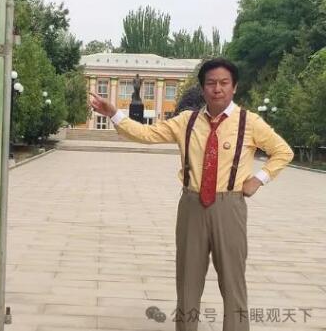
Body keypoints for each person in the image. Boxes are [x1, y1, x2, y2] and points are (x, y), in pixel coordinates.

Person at [89, 57, 294, 331]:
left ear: (234, 87)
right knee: (188, 281)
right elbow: (147, 134)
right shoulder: (187, 121)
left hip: (229, 206)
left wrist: (259, 179)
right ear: (203, 88)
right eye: (211, 83)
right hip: (191, 204)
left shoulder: (250, 122)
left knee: (233, 281)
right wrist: (114, 113)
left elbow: (283, 151)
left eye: (224, 83)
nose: (217, 89)